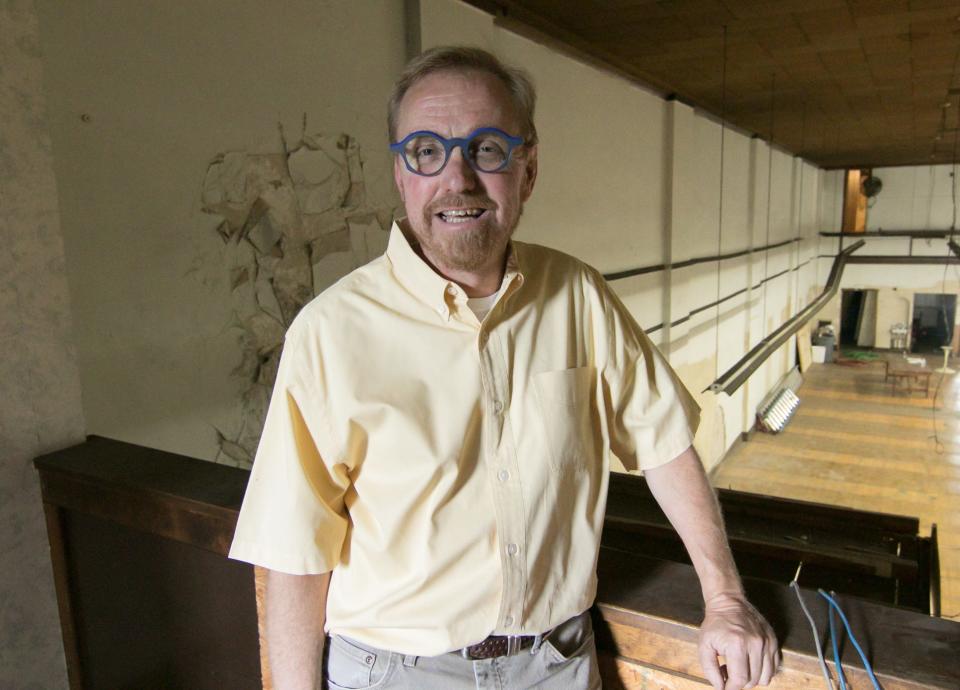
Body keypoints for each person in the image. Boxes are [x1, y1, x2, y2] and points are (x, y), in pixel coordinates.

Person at [230, 45, 779, 690]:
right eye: (427, 152)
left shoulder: (578, 296)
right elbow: (296, 551)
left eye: (486, 149)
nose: (457, 179)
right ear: (401, 175)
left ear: (528, 168)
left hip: (559, 665)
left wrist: (725, 601)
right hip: (399, 674)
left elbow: (664, 445)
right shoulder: (328, 334)